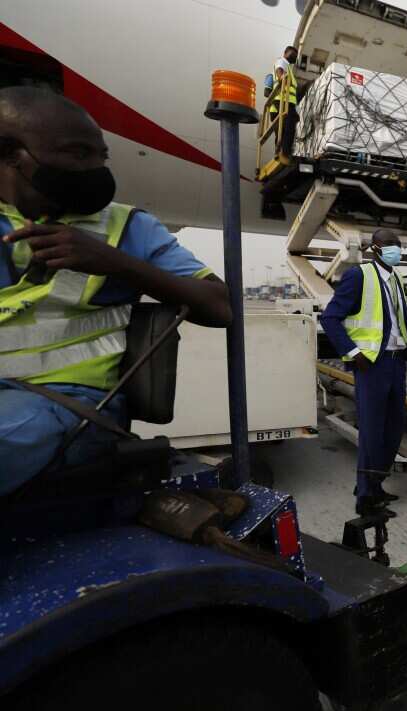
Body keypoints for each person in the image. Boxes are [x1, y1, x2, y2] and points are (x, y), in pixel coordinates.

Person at [0, 87, 231, 494]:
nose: (96, 169)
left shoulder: (127, 228)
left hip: (70, 405)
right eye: (77, 154)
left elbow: (221, 307)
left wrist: (114, 262)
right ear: (10, 155)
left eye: (100, 157)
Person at [319, 229, 407, 517]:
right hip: (372, 364)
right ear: (374, 249)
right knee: (372, 431)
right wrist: (352, 352)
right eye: (389, 245)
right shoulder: (359, 275)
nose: (396, 250)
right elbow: (330, 318)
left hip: (396, 361)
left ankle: (375, 483)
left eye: (398, 245)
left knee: (394, 428)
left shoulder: (397, 278)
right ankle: (365, 497)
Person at [271, 45, 300, 156]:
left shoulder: (289, 68)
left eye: (296, 55)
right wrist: (281, 76)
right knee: (289, 126)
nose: (294, 56)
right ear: (285, 53)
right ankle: (286, 152)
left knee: (283, 128)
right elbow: (279, 71)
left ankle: (279, 151)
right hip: (283, 100)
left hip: (287, 101)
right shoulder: (282, 61)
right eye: (292, 54)